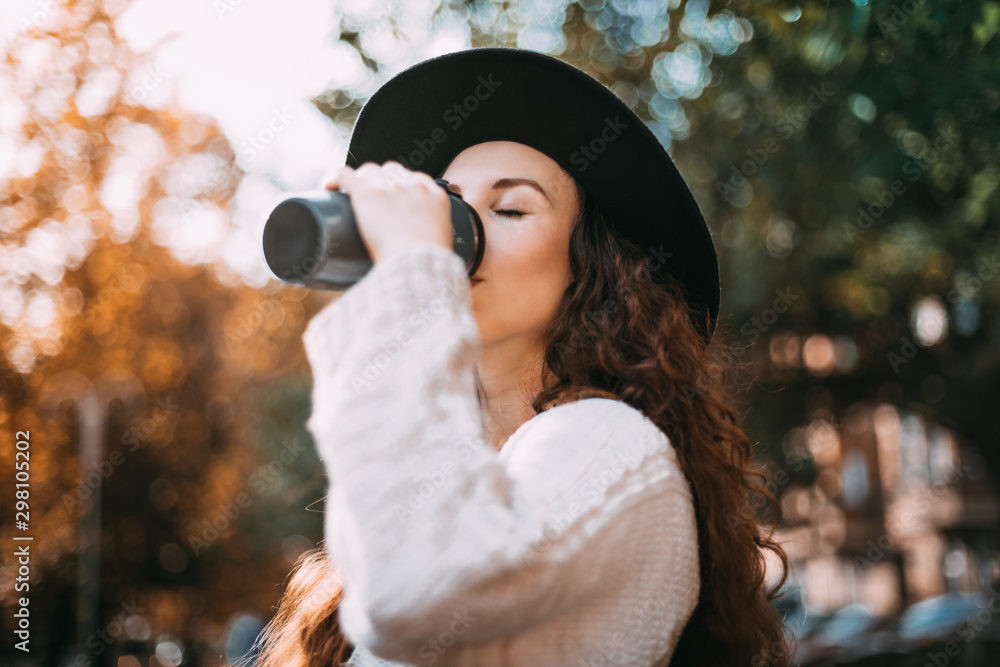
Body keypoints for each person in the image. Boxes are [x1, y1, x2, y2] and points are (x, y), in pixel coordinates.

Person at [246, 47, 795, 667]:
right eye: (448, 205)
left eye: (509, 209)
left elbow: (413, 598)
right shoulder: (442, 471)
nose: (459, 237)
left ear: (593, 266)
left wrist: (410, 276)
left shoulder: (613, 445)